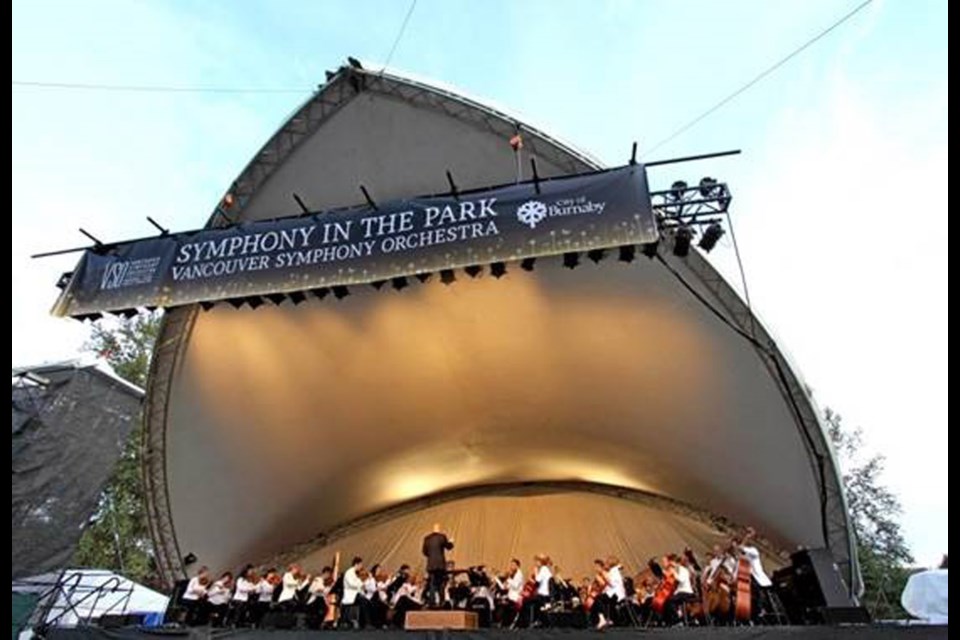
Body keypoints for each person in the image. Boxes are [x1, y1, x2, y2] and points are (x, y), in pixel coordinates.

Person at [422, 523, 454, 608]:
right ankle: (441, 602)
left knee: (432, 583)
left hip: (431, 565)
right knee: (441, 583)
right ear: (438, 529)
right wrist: (451, 542)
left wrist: (431, 556)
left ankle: (431, 602)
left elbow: (424, 552)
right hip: (440, 564)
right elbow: (448, 547)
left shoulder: (427, 538)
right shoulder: (442, 537)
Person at [341, 556, 365, 629]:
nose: (361, 566)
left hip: (354, 594)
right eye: (361, 564)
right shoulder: (349, 572)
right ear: (356, 564)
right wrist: (361, 585)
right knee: (364, 602)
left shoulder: (354, 573)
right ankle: (365, 622)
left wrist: (361, 587)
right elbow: (352, 584)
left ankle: (363, 622)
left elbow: (359, 583)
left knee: (365, 602)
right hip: (350, 594)